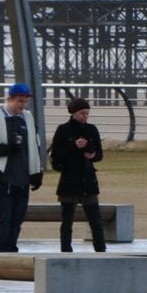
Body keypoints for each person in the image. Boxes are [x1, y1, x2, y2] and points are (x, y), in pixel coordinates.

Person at [0, 82, 43, 252]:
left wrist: (37, 172)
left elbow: (35, 146)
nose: (23, 105)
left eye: (25, 101)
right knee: (3, 216)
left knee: (18, 217)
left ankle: (11, 248)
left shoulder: (27, 118)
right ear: (9, 99)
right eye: (19, 101)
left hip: (22, 177)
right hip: (2, 176)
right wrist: (5, 149)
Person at [49, 97, 106, 252]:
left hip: (88, 179)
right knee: (67, 220)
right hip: (69, 179)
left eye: (87, 113)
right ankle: (66, 250)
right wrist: (73, 146)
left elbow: (99, 154)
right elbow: (56, 157)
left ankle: (101, 251)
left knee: (95, 220)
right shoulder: (63, 130)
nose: (85, 117)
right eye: (82, 113)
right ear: (73, 113)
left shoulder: (92, 129)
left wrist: (92, 155)